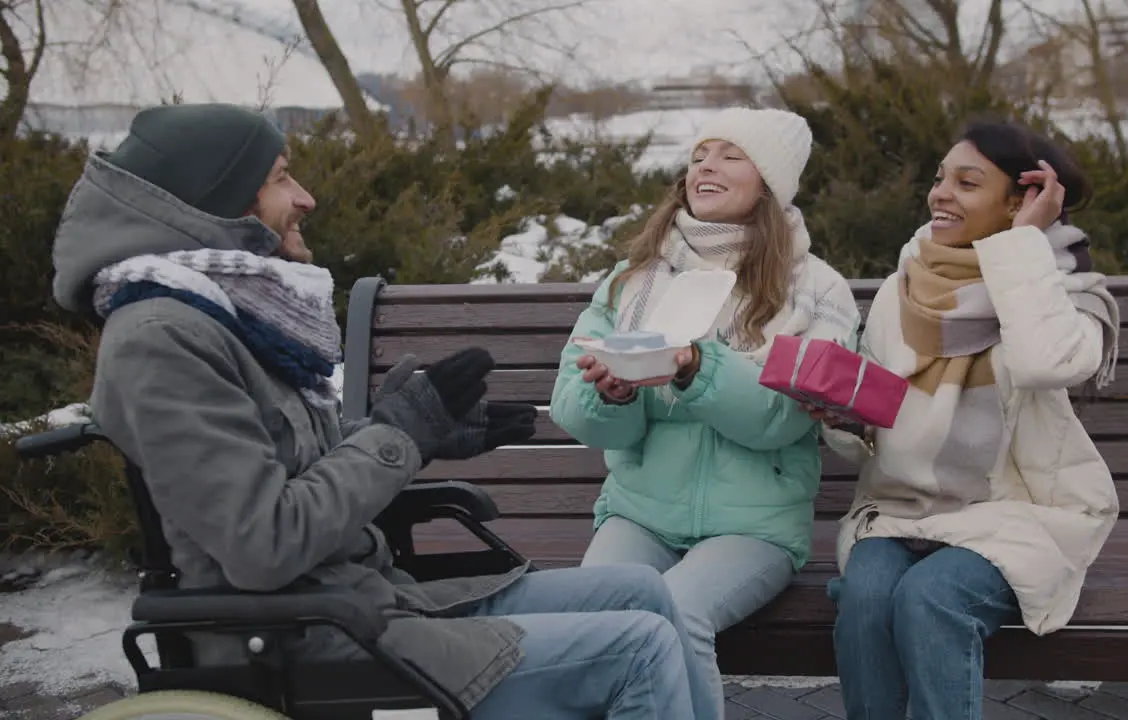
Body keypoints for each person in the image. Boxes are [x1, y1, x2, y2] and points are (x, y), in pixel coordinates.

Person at [49, 102, 718, 720]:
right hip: (303, 640)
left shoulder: (225, 316)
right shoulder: (164, 339)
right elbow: (262, 544)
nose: (305, 197)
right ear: (219, 200)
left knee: (643, 592)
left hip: (365, 601)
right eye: (283, 178)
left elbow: (286, 470)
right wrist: (398, 436)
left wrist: (414, 437)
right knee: (638, 649)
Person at [549, 106, 861, 719]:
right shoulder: (631, 280)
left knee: (675, 612)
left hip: (755, 526)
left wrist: (696, 367)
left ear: (768, 182)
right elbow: (572, 408)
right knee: (587, 621)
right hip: (640, 513)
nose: (706, 166)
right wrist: (613, 394)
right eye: (698, 155)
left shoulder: (818, 291)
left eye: (729, 154)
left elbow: (783, 421)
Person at [816, 119, 1122, 720]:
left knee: (931, 598)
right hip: (902, 510)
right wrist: (844, 418)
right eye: (940, 179)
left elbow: (1045, 362)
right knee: (868, 594)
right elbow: (875, 438)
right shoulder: (902, 291)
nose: (941, 194)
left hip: (1016, 515)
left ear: (1022, 200)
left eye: (967, 182)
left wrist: (1021, 245)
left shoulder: (1067, 292)